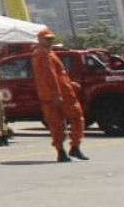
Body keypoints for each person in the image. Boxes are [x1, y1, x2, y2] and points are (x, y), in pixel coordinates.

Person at [33, 30, 87, 162]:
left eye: (51, 39)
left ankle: (67, 149)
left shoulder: (47, 53)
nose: (50, 41)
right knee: (69, 120)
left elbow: (56, 75)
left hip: (59, 93)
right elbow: (49, 76)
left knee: (59, 122)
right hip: (59, 95)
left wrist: (69, 83)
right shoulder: (44, 54)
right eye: (47, 39)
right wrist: (56, 94)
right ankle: (68, 148)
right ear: (40, 39)